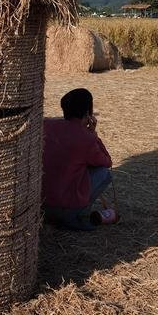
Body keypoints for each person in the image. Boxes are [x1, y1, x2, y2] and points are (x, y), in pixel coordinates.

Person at [42, 88, 116, 231]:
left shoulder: (46, 125)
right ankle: (77, 214)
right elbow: (107, 162)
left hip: (38, 206)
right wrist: (93, 133)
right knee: (103, 173)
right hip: (64, 211)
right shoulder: (86, 138)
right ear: (88, 112)